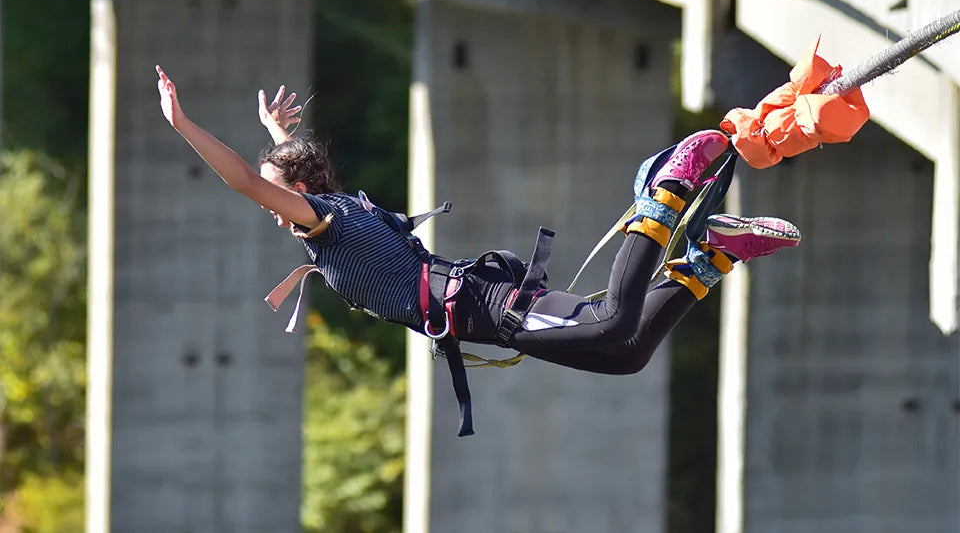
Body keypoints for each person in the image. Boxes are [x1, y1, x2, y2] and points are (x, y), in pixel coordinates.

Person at [156, 65, 800, 434]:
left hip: (488, 308)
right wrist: (278, 136)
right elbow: (284, 178)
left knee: (613, 324)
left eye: (278, 197)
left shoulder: (325, 222)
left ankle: (665, 196)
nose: (271, 210)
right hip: (485, 313)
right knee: (626, 356)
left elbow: (249, 182)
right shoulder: (340, 211)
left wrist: (183, 125)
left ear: (298, 193)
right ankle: (712, 254)